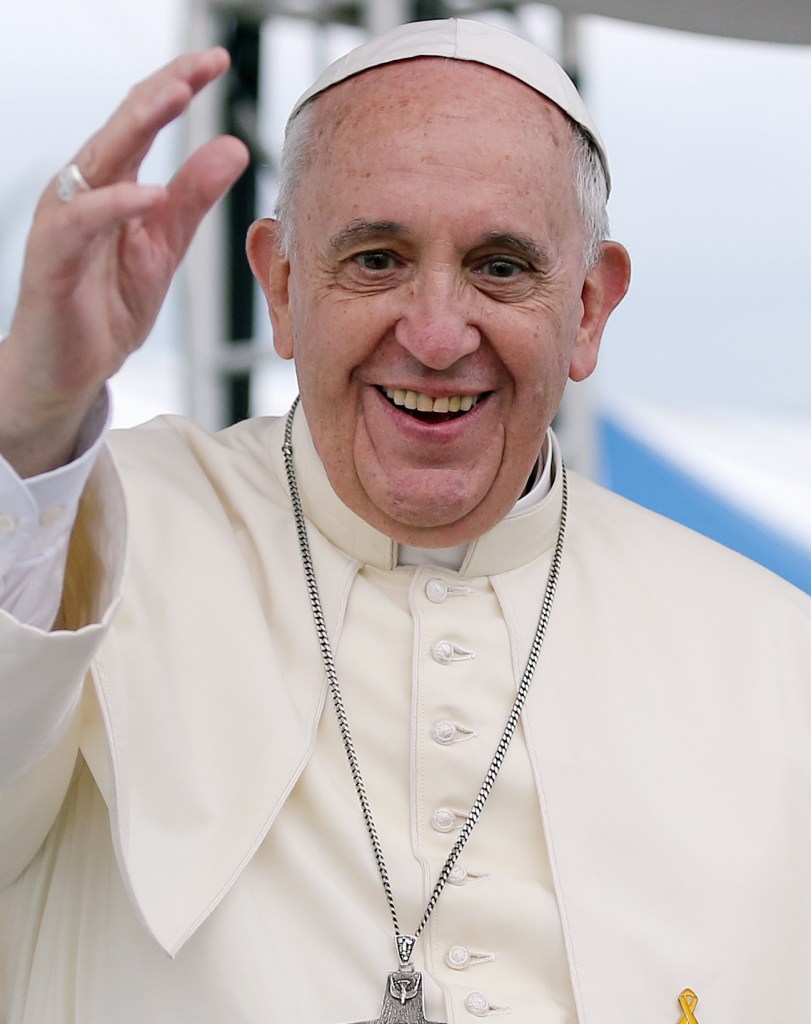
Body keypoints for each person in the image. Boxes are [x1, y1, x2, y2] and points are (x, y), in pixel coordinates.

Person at [0, 17, 809, 1024]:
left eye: (501, 267)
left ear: (590, 309)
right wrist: (30, 421)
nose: (434, 335)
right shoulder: (85, 533)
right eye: (376, 259)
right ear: (284, 289)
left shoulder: (773, 655)